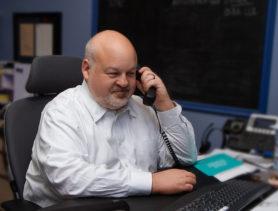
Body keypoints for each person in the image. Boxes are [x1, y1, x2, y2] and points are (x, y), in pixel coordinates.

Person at [23, 30, 198, 207]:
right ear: (87, 69)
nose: (123, 83)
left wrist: (164, 103)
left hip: (134, 205)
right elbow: (69, 179)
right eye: (113, 73)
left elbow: (186, 157)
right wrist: (151, 182)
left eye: (130, 74)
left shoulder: (143, 108)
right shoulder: (61, 112)